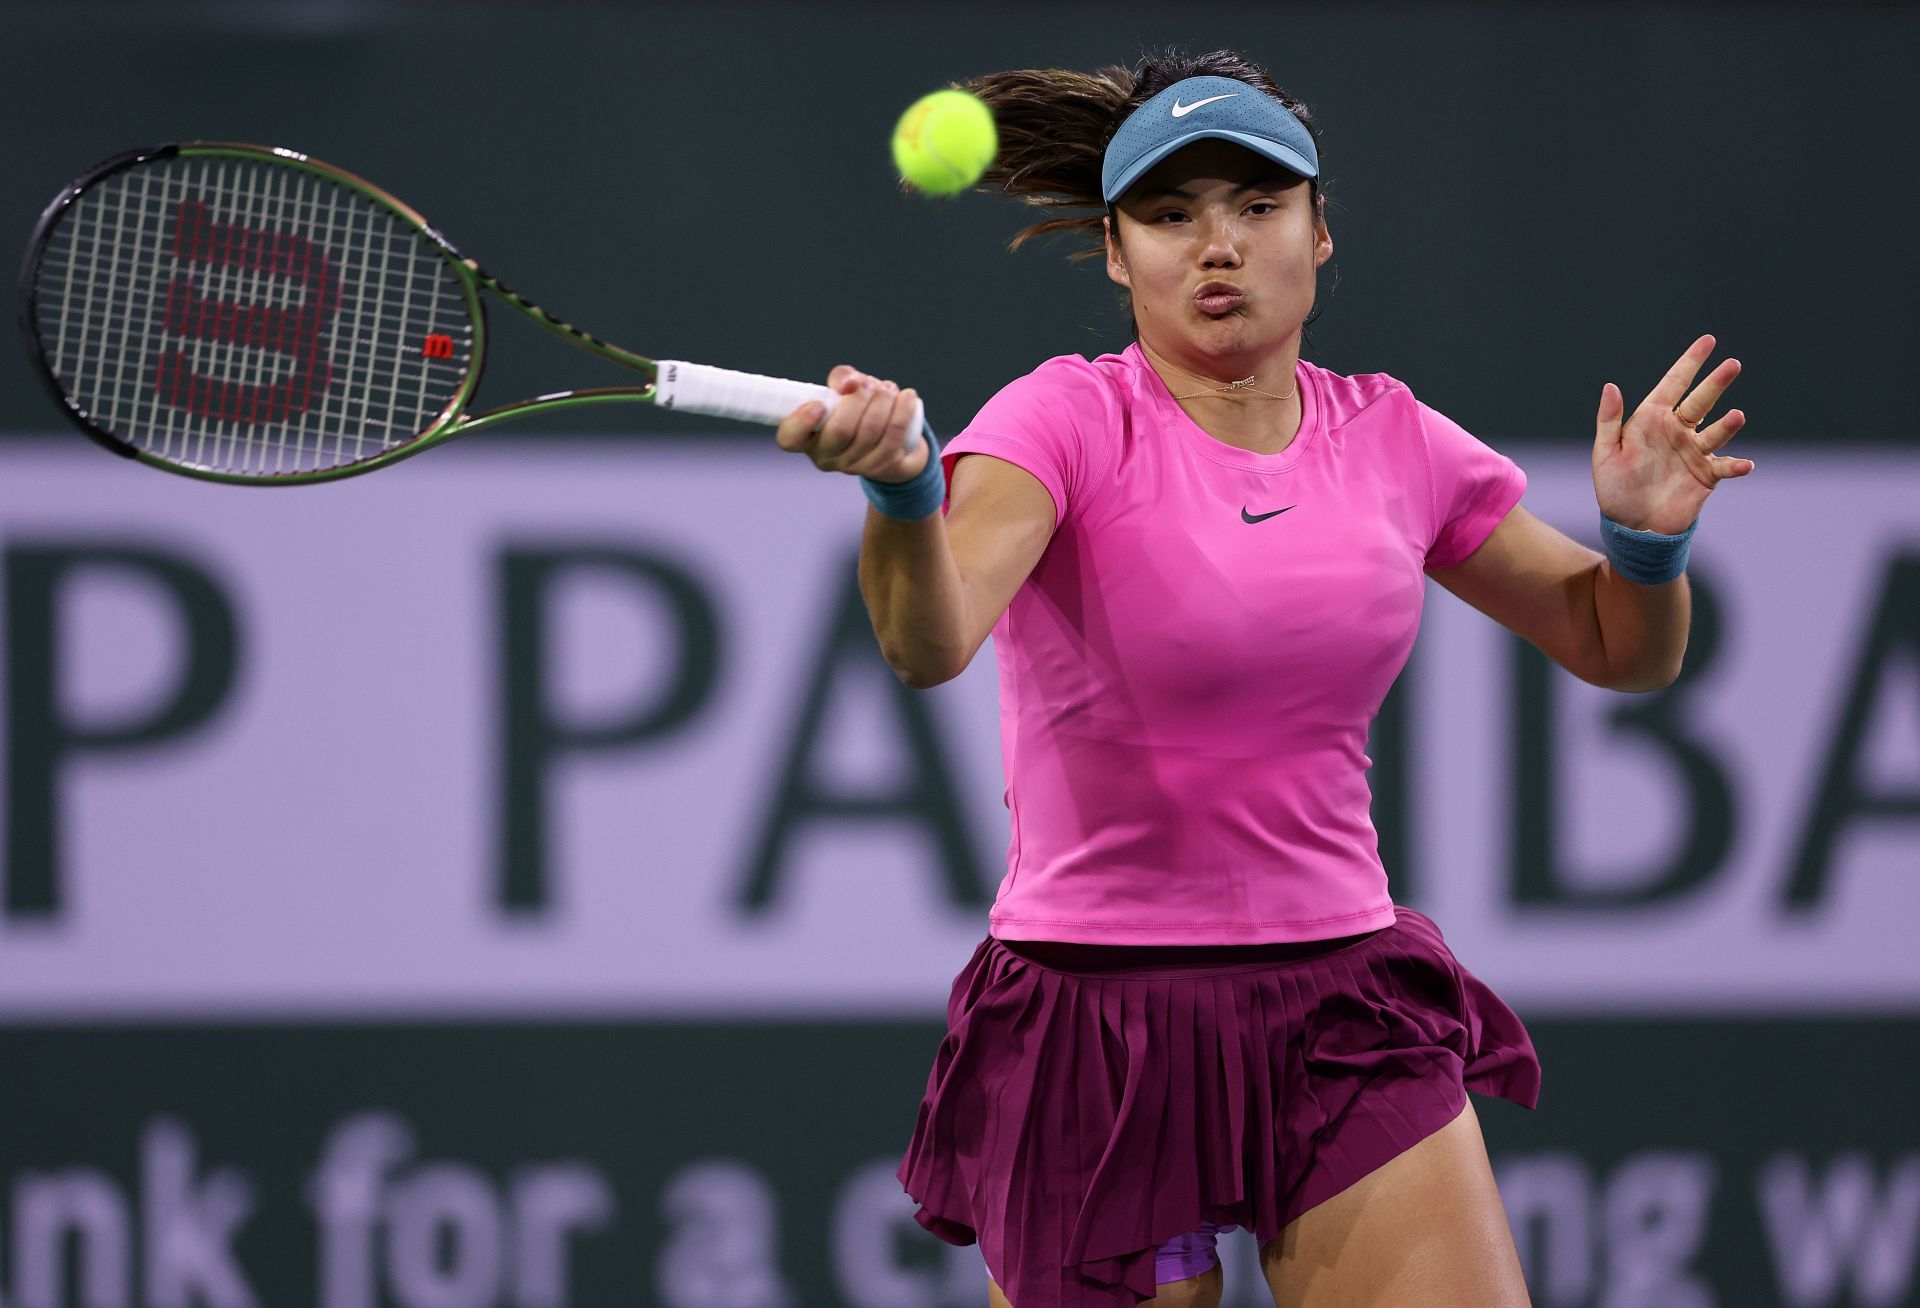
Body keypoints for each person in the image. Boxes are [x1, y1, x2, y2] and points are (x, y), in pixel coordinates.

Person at [774, 48, 1751, 1308]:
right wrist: (903, 495)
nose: (1217, 246)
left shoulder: (1394, 437)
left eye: (1254, 206)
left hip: (1341, 1007)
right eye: (1172, 216)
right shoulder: (1060, 421)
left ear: (1318, 232)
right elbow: (930, 640)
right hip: (1100, 1027)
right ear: (1121, 256)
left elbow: (1623, 647)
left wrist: (1648, 544)